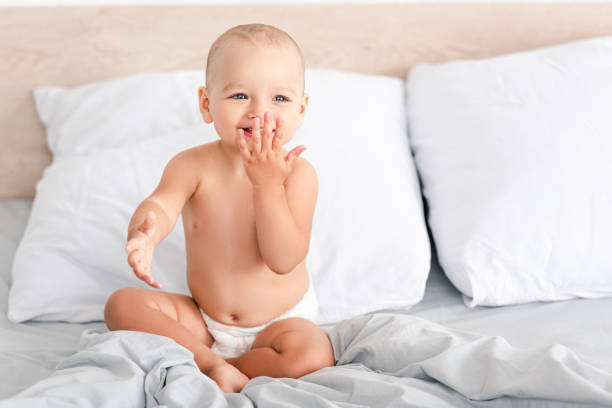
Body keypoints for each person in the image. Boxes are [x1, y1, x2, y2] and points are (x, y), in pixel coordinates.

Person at [103, 23, 334, 393]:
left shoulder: (298, 175)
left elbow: (283, 259)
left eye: (279, 99)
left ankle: (215, 364)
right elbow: (161, 205)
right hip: (205, 320)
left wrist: (267, 184)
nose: (260, 113)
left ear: (301, 109)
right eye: (241, 95)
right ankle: (211, 362)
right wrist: (145, 232)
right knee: (121, 305)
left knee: (311, 355)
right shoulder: (192, 165)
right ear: (207, 105)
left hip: (280, 323)